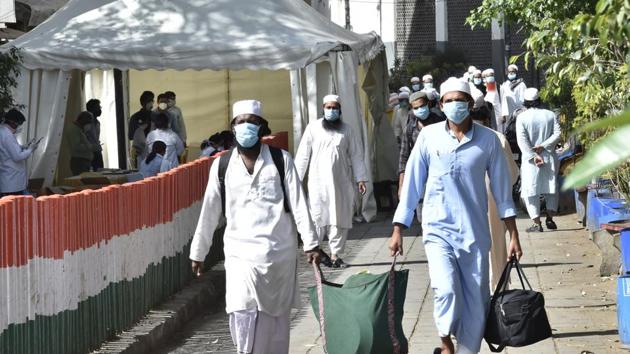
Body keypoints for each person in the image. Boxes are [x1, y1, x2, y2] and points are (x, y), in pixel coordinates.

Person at [388, 78, 522, 354]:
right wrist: (398, 228)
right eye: (448, 101)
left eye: (459, 100)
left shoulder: (489, 141)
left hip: (475, 232)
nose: (454, 105)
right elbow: (412, 184)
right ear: (441, 105)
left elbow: (501, 191)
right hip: (438, 230)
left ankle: (466, 351)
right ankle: (446, 341)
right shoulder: (428, 137)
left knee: (477, 299)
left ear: (470, 104)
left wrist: (513, 235)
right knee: (445, 288)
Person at [190, 99, 320, 354]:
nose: (246, 126)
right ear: (233, 127)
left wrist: (312, 243)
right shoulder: (222, 165)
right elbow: (210, 210)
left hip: (278, 254)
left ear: (261, 128)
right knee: (241, 312)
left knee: (276, 323)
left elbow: (298, 203)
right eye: (241, 122)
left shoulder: (281, 160)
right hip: (240, 254)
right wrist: (199, 251)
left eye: (252, 122)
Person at [295, 95, 368, 268]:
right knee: (317, 216)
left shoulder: (347, 130)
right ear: (323, 109)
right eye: (328, 107)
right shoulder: (313, 128)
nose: (332, 110)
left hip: (341, 181)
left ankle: (335, 255)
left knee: (339, 216)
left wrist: (361, 179)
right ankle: (316, 250)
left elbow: (356, 155)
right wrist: (296, 179)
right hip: (317, 182)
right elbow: (303, 156)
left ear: (340, 110)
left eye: (335, 107)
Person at [470, 92, 520, 290]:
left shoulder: (496, 139)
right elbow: (512, 176)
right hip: (493, 209)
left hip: (487, 210)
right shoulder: (498, 138)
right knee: (496, 257)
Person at [516, 88, 561, 232]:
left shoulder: (521, 117)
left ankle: (537, 223)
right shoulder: (550, 115)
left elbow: (522, 141)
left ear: (525, 102)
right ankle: (550, 218)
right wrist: (544, 146)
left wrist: (534, 155)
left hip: (530, 160)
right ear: (539, 100)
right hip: (549, 156)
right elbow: (558, 134)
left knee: (531, 190)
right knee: (551, 188)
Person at [398, 91, 445, 196]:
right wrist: (401, 185)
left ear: (428, 104)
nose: (420, 110)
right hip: (420, 178)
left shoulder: (441, 123)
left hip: (441, 176)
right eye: (416, 108)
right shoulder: (410, 129)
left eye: (422, 106)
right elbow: (403, 157)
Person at [0, 109, 39, 197]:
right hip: (12, 183)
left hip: (9, 181)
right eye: (19, 124)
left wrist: (22, 147)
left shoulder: (3, 131)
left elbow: (7, 150)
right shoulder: (7, 135)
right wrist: (30, 149)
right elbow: (17, 157)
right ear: (13, 122)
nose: (18, 126)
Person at [68, 111, 100, 175]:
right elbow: (76, 146)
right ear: (82, 119)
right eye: (88, 122)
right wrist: (91, 147)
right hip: (79, 162)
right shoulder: (74, 130)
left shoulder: (80, 129)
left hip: (84, 161)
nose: (89, 125)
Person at [129, 91, 155, 168]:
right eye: (151, 101)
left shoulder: (155, 116)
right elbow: (130, 135)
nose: (152, 103)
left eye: (152, 101)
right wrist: (141, 129)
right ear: (146, 102)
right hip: (140, 151)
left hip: (151, 150)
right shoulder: (135, 117)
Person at [500, 64, 527, 128]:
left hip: (519, 112)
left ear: (516, 73)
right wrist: (503, 114)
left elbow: (523, 100)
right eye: (510, 72)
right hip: (508, 113)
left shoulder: (521, 84)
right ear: (507, 73)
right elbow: (502, 101)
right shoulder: (504, 85)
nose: (511, 73)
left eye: (513, 72)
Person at [85, 99, 104, 170]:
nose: (100, 109)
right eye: (98, 107)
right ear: (93, 108)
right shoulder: (87, 121)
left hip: (97, 151)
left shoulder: (97, 122)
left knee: (100, 172)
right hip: (90, 153)